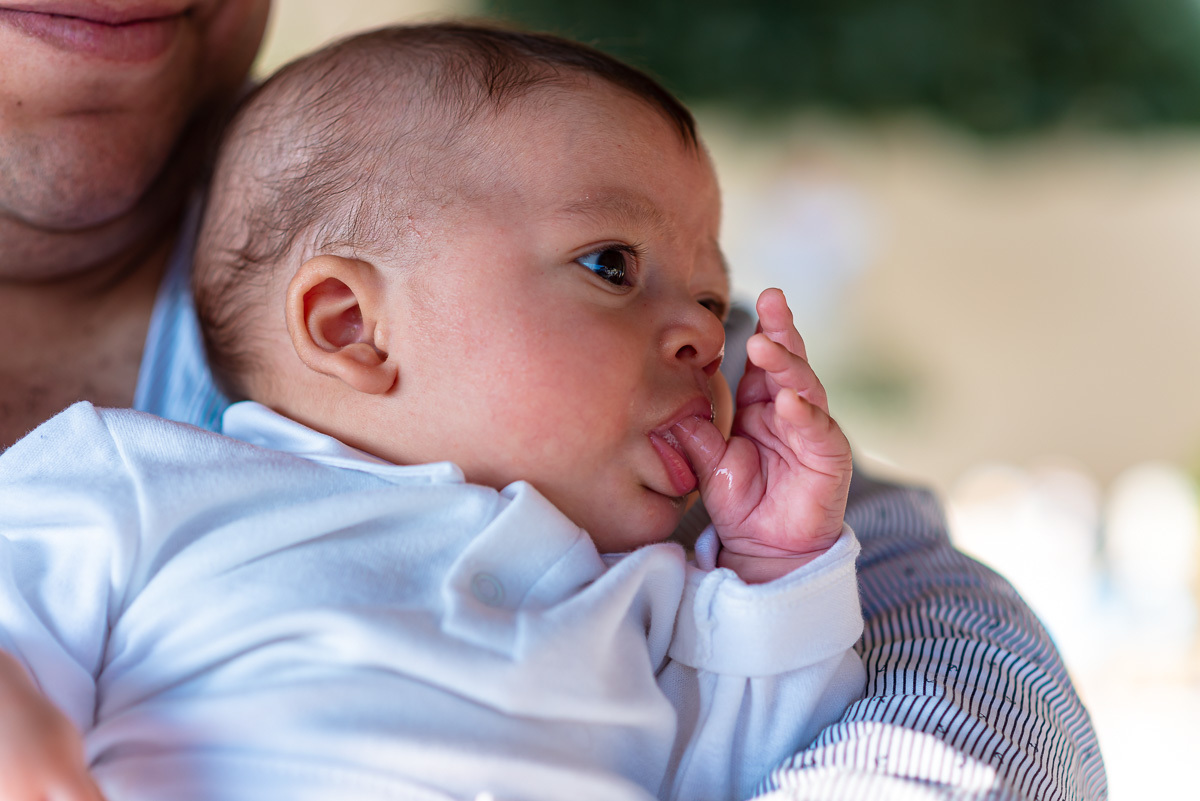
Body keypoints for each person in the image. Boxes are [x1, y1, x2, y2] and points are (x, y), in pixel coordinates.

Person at [0, 4, 1107, 799]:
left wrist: (773, 577)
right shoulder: (141, 490)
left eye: (711, 294)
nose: (699, 337)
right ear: (349, 326)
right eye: (610, 265)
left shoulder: (642, 589)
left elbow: (771, 747)